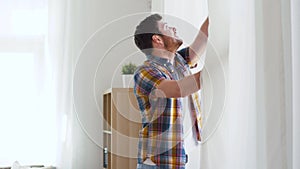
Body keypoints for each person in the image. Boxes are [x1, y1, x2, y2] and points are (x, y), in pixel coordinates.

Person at [133, 13, 209, 169]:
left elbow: (203, 38)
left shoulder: (179, 62)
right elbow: (178, 89)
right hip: (158, 164)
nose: (174, 28)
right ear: (157, 39)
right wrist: (217, 72)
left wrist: (214, 14)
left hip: (178, 160)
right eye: (166, 27)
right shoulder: (145, 72)